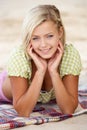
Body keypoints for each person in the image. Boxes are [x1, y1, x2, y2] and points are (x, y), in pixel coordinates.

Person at [0, 4, 82, 117]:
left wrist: (54, 72)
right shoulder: (19, 56)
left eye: (49, 36)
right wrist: (40, 71)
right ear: (29, 39)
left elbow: (68, 110)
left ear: (60, 32)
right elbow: (23, 112)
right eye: (35, 38)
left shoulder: (69, 54)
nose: (43, 45)